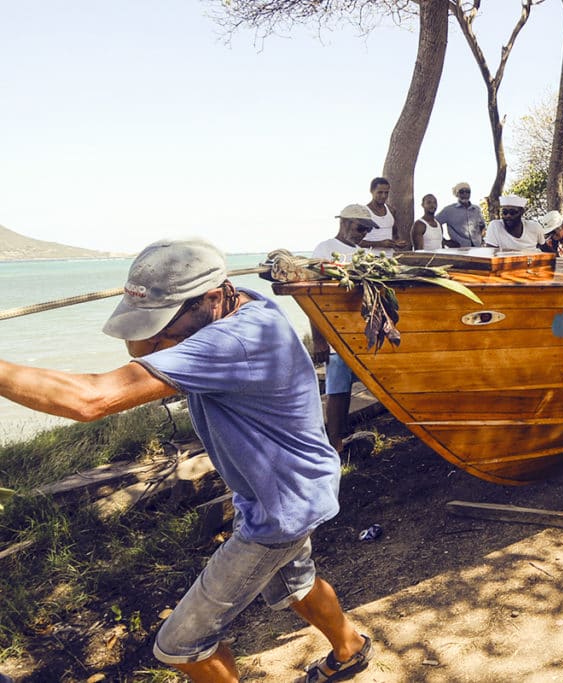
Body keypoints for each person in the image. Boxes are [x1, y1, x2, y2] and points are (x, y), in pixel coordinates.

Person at [0, 239, 373, 682]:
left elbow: (91, 400)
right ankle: (350, 648)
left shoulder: (232, 340)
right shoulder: (245, 305)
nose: (157, 336)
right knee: (297, 585)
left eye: (164, 322)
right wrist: (154, 315)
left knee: (181, 645)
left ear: (213, 297)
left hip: (280, 509)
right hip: (289, 489)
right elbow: (139, 350)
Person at [314, 205, 378, 454]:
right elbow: (315, 296)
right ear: (345, 223)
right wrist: (319, 339)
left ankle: (343, 436)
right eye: (360, 227)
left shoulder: (362, 253)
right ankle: (334, 445)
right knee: (337, 389)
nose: (363, 233)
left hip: (360, 329)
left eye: (367, 229)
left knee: (348, 386)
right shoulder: (325, 249)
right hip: (335, 329)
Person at [362, 177, 408, 253]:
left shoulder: (391, 211)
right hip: (370, 260)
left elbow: (395, 236)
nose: (383, 196)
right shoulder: (364, 212)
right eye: (380, 192)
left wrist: (398, 243)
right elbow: (356, 241)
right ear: (371, 191)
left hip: (389, 259)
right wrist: (379, 244)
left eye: (386, 192)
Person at [436, 182, 485, 247]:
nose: (465, 194)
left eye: (467, 191)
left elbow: (482, 227)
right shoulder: (449, 210)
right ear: (457, 194)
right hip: (459, 249)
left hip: (477, 248)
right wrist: (444, 241)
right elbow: (434, 223)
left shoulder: (476, 209)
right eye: (462, 192)